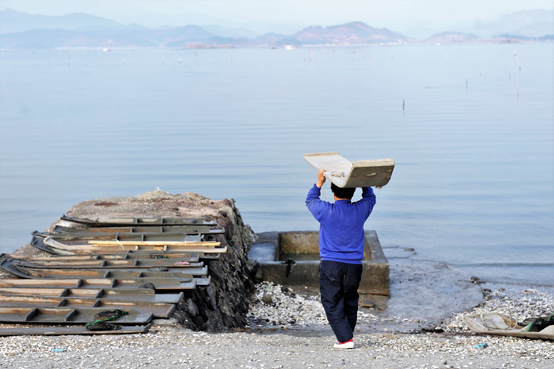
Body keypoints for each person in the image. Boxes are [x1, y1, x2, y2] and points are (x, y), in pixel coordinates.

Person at [306, 168, 376, 349]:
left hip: (331, 264)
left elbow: (311, 200)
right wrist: (363, 182)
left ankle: (345, 339)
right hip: (354, 265)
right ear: (352, 192)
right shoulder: (360, 211)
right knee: (350, 300)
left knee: (331, 300)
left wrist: (319, 182)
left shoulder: (326, 211)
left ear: (333, 192)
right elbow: (370, 198)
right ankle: (346, 336)